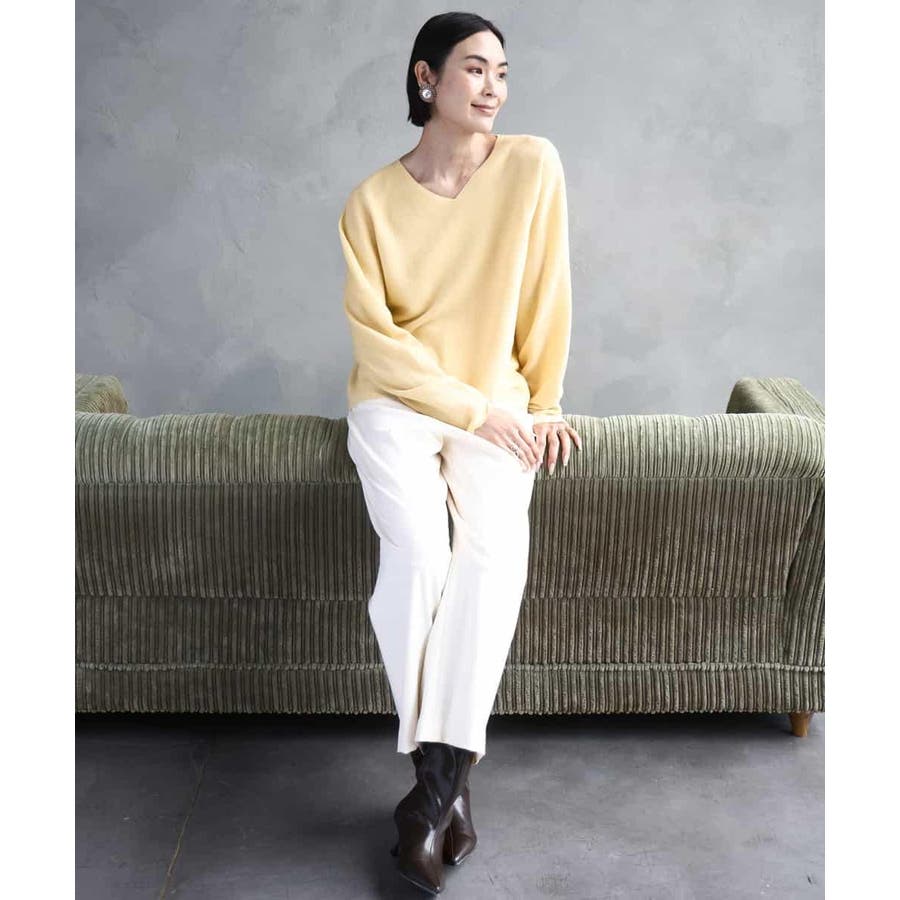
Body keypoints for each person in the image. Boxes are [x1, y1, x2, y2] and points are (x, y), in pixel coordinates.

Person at [337, 12, 582, 894]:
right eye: (474, 68)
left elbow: (547, 292)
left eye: (502, 72)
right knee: (418, 556)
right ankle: (445, 787)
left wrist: (542, 405)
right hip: (397, 405)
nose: (493, 87)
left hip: (499, 404)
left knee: (496, 553)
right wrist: (470, 409)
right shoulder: (370, 203)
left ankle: (430, 795)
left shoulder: (531, 165)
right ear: (425, 77)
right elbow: (379, 343)